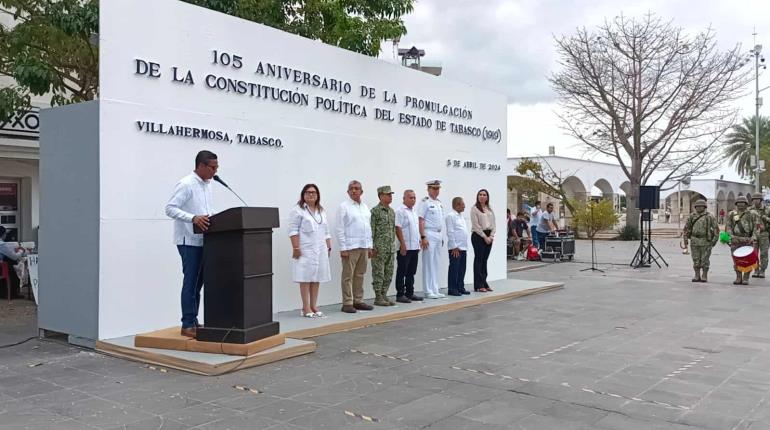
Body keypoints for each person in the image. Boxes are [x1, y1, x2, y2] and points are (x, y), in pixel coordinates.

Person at [165, 150, 216, 338]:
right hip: (188, 241)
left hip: (205, 240)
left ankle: (193, 321)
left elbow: (206, 210)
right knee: (191, 282)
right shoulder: (186, 184)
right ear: (201, 166)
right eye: (212, 167)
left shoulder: (207, 185)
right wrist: (193, 218)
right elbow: (170, 208)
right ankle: (187, 324)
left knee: (197, 284)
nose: (215, 171)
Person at [288, 184, 332, 318]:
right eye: (308, 192)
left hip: (320, 248)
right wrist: (296, 248)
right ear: (303, 195)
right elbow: (293, 230)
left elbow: (326, 230)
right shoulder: (298, 210)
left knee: (316, 277)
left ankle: (314, 305)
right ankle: (305, 307)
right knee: (305, 278)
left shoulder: (321, 211)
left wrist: (328, 246)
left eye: (313, 192)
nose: (311, 194)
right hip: (305, 249)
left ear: (318, 195)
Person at [336, 180, 374, 313]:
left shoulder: (365, 207)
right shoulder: (344, 206)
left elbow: (367, 227)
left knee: (360, 274)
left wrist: (370, 246)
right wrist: (343, 247)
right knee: (348, 276)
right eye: (351, 188)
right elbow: (340, 228)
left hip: (363, 246)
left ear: (361, 192)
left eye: (356, 188)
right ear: (348, 192)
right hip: (350, 246)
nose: (354, 190)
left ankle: (358, 300)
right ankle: (347, 303)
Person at [395, 190, 424, 303]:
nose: (413, 200)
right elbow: (398, 228)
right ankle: (400, 294)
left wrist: (419, 241)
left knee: (411, 272)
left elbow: (415, 228)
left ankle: (410, 293)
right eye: (410, 197)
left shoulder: (414, 211)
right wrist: (402, 244)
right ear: (404, 198)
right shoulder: (400, 211)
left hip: (414, 246)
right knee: (402, 271)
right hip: (405, 247)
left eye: (414, 198)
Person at [418, 180, 445, 299]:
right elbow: (421, 220)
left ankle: (435, 288)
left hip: (438, 234)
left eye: (438, 188)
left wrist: (441, 236)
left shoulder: (439, 203)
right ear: (428, 189)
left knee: (436, 263)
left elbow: (439, 221)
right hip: (429, 234)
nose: (436, 190)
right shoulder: (425, 202)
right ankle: (428, 291)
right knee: (428, 263)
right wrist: (423, 236)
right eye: (434, 188)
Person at [371, 185, 397, 307]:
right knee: (378, 273)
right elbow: (371, 230)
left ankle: (384, 294)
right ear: (381, 196)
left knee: (388, 273)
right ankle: (378, 297)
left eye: (391, 194)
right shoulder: (375, 211)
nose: (390, 196)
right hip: (379, 248)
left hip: (390, 248)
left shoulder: (392, 212)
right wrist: (372, 247)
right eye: (387, 194)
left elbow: (393, 230)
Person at [682, 199, 719, 283]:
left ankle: (704, 275)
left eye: (701, 206)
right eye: (697, 206)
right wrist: (685, 238)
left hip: (706, 240)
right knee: (695, 259)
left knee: (705, 259)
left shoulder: (709, 216)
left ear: (704, 207)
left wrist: (714, 241)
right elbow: (686, 228)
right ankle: (697, 275)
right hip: (694, 240)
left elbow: (716, 229)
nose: (699, 208)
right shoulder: (692, 216)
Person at [726, 195, 758, 285]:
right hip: (735, 240)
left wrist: (753, 238)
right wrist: (731, 236)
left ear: (746, 204)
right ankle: (738, 277)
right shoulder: (732, 214)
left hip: (748, 240)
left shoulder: (752, 214)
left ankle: (746, 277)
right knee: (737, 260)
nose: (740, 204)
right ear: (736, 204)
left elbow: (757, 227)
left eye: (742, 203)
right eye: (738, 203)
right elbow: (728, 226)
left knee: (748, 260)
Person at [470, 189, 495, 292]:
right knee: (479, 259)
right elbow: (476, 226)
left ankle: (484, 282)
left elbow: (494, 224)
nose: (482, 196)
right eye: (480, 194)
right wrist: (485, 237)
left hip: (489, 236)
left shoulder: (489, 209)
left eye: (484, 195)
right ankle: (478, 284)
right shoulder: (474, 209)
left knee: (485, 260)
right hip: (478, 236)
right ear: (477, 196)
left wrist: (491, 236)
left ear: (487, 197)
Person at [445, 197, 470, 296]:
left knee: (462, 269)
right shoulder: (450, 216)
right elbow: (450, 231)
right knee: (454, 269)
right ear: (457, 205)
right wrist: (454, 246)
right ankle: (452, 289)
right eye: (463, 204)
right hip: (455, 248)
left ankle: (460, 287)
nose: (464, 206)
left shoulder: (461, 216)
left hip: (463, 247)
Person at [0, 226, 23, 298]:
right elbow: (14, 256)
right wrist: (21, 250)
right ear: (3, 234)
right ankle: (12, 293)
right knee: (12, 266)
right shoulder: (2, 244)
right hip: (1, 267)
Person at [751, 195, 770, 278]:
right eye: (754, 199)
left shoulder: (767, 209)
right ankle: (756, 270)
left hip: (764, 234)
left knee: (764, 253)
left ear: (761, 200)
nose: (755, 201)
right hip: (754, 234)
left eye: (757, 199)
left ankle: (762, 270)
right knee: (754, 253)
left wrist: (765, 217)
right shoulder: (750, 210)